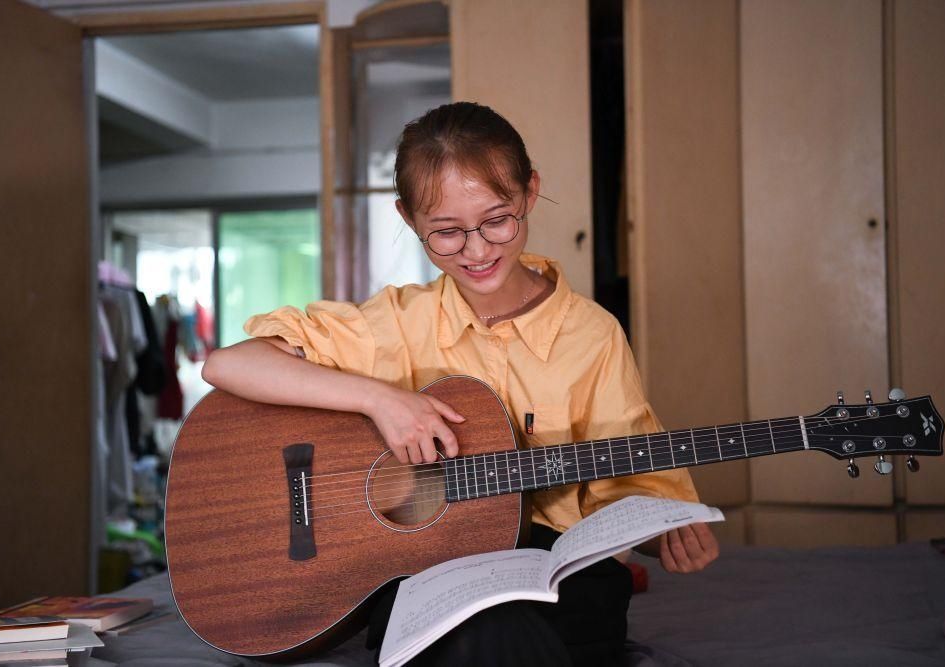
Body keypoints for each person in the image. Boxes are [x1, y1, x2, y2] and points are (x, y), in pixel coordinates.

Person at [202, 101, 718, 666]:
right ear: (408, 219)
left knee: (515, 622)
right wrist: (379, 400)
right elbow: (227, 365)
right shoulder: (393, 324)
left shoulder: (592, 335)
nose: (477, 250)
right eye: (446, 233)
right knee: (470, 624)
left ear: (528, 193)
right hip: (432, 563)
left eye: (497, 219)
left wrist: (664, 533)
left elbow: (628, 491)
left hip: (557, 572)